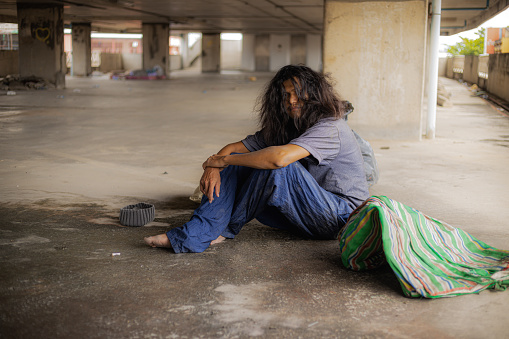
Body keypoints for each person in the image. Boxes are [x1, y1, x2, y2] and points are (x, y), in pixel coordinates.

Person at [144, 65, 369, 253]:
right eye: (286, 95)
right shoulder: (291, 126)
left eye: (298, 93)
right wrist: (214, 166)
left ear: (314, 93)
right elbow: (233, 149)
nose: (292, 100)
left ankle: (216, 231)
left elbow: (278, 160)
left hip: (340, 219)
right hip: (307, 214)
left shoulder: (330, 128)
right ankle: (203, 231)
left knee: (276, 167)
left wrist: (223, 161)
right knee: (241, 159)